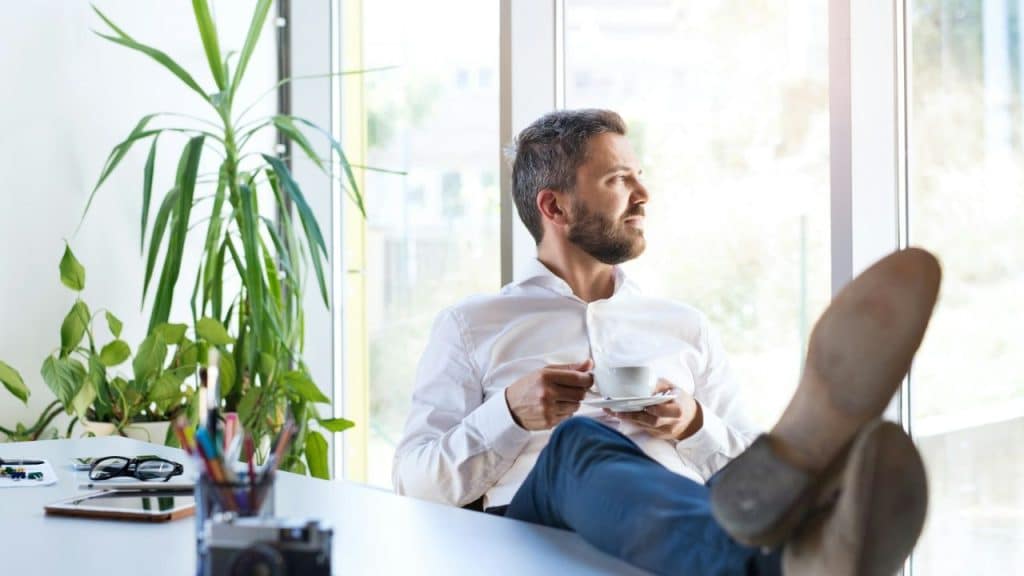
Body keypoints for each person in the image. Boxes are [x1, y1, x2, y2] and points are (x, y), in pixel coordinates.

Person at [393, 109, 940, 575]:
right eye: (617, 181)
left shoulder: (682, 325)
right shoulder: (473, 324)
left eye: (639, 176)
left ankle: (805, 533)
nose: (643, 195)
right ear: (554, 208)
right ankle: (775, 564)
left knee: (738, 475)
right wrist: (509, 415)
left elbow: (743, 478)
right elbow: (414, 482)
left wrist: (694, 425)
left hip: (677, 527)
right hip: (534, 525)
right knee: (576, 444)